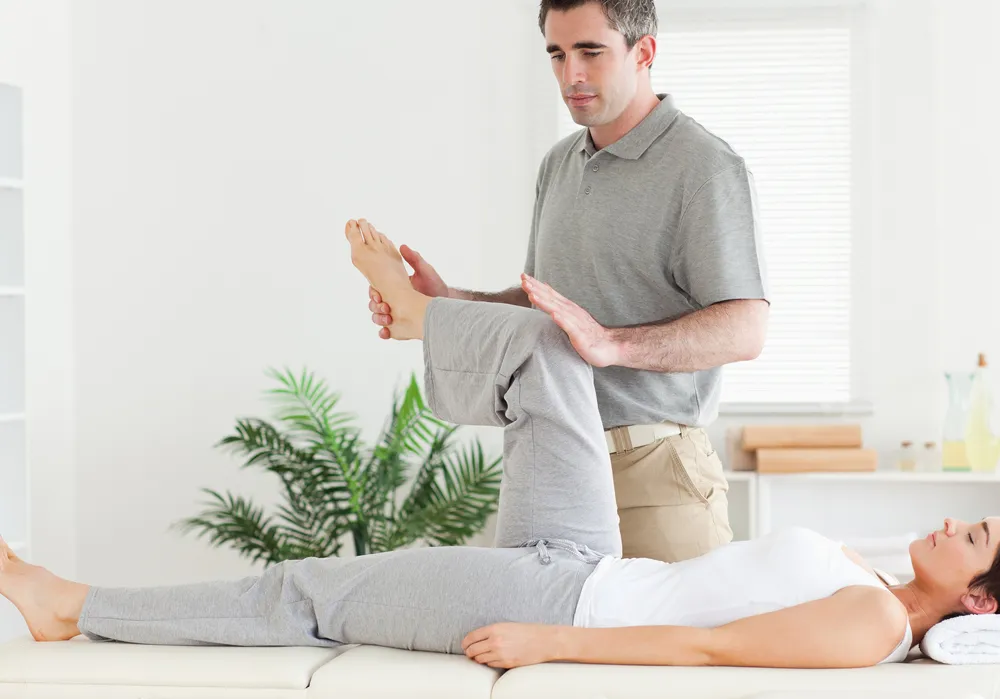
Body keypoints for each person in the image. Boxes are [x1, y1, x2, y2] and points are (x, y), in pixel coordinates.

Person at [1, 220, 997, 671]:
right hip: (586, 556)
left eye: (977, 533)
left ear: (977, 598)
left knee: (311, 595)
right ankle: (422, 317)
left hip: (559, 600)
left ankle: (71, 606)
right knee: (543, 351)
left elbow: (710, 645)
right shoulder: (868, 583)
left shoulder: (871, 628)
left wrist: (549, 644)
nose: (952, 520)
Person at [365, 0, 770, 564]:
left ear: (644, 51)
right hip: (550, 463)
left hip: (653, 473)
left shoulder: (704, 168)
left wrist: (613, 343)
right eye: (557, 54)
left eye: (590, 52)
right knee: (536, 648)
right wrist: (452, 301)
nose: (570, 74)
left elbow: (745, 328)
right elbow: (546, 308)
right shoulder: (558, 164)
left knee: (666, 650)